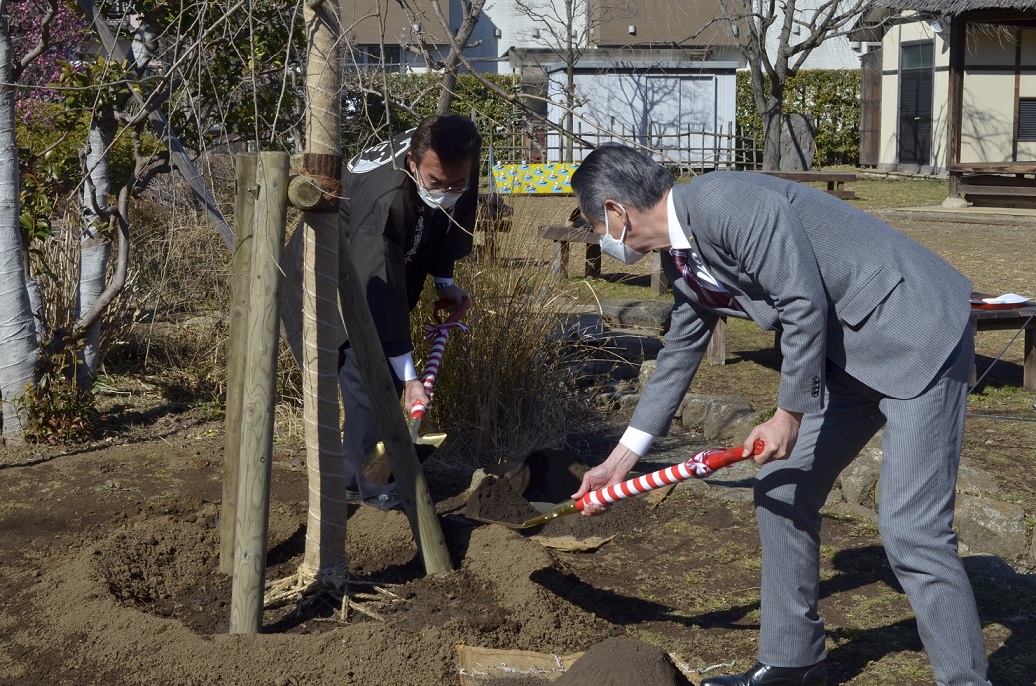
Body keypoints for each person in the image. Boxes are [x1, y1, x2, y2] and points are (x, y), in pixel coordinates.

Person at [569, 144, 990, 686]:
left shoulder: (725, 202)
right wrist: (621, 460)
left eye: (594, 225)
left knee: (913, 533)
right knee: (782, 488)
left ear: (616, 211)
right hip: (846, 359)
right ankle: (794, 662)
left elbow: (800, 302)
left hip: (914, 334)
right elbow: (679, 352)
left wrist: (788, 414)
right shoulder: (681, 256)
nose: (603, 240)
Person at [284, 115, 482, 511]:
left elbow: (451, 220)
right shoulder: (386, 198)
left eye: (456, 183)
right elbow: (378, 299)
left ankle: (355, 476)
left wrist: (444, 282)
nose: (447, 191)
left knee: (379, 377)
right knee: (366, 368)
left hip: (380, 269)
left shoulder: (457, 156)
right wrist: (410, 379)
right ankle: (376, 489)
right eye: (436, 183)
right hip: (326, 275)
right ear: (412, 163)